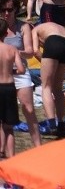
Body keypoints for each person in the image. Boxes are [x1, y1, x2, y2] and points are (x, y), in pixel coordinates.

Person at [0, 0, 40, 148]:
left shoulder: (23, 27)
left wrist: (11, 52)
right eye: (3, 10)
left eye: (10, 9)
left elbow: (30, 52)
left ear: (16, 9)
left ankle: (38, 146)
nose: (6, 13)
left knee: (28, 109)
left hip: (19, 72)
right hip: (3, 74)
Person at [32, 22, 65, 136]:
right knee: (58, 88)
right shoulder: (63, 31)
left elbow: (35, 50)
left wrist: (47, 65)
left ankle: (51, 124)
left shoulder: (35, 30)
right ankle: (61, 123)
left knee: (46, 87)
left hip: (53, 43)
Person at [0, 17, 24, 158]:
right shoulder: (12, 49)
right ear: (6, 33)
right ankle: (12, 157)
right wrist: (11, 71)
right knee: (9, 127)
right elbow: (21, 69)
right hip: (8, 86)